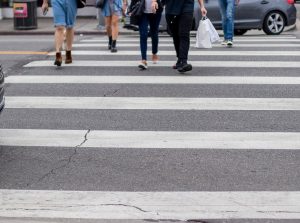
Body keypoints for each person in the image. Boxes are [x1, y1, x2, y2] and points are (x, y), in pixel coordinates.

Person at [162, 0, 207, 73]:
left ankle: (183, 61)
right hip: (171, 9)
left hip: (187, 7)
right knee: (175, 35)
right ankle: (179, 60)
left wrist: (202, 6)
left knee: (184, 34)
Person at [42, 0, 77, 66]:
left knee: (70, 26)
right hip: (57, 1)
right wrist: (45, 2)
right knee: (59, 26)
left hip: (71, 2)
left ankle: (68, 52)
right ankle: (58, 55)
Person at [137, 0, 163, 70]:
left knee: (154, 33)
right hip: (142, 11)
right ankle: (144, 60)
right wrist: (130, 8)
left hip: (156, 12)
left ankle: (154, 53)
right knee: (143, 34)